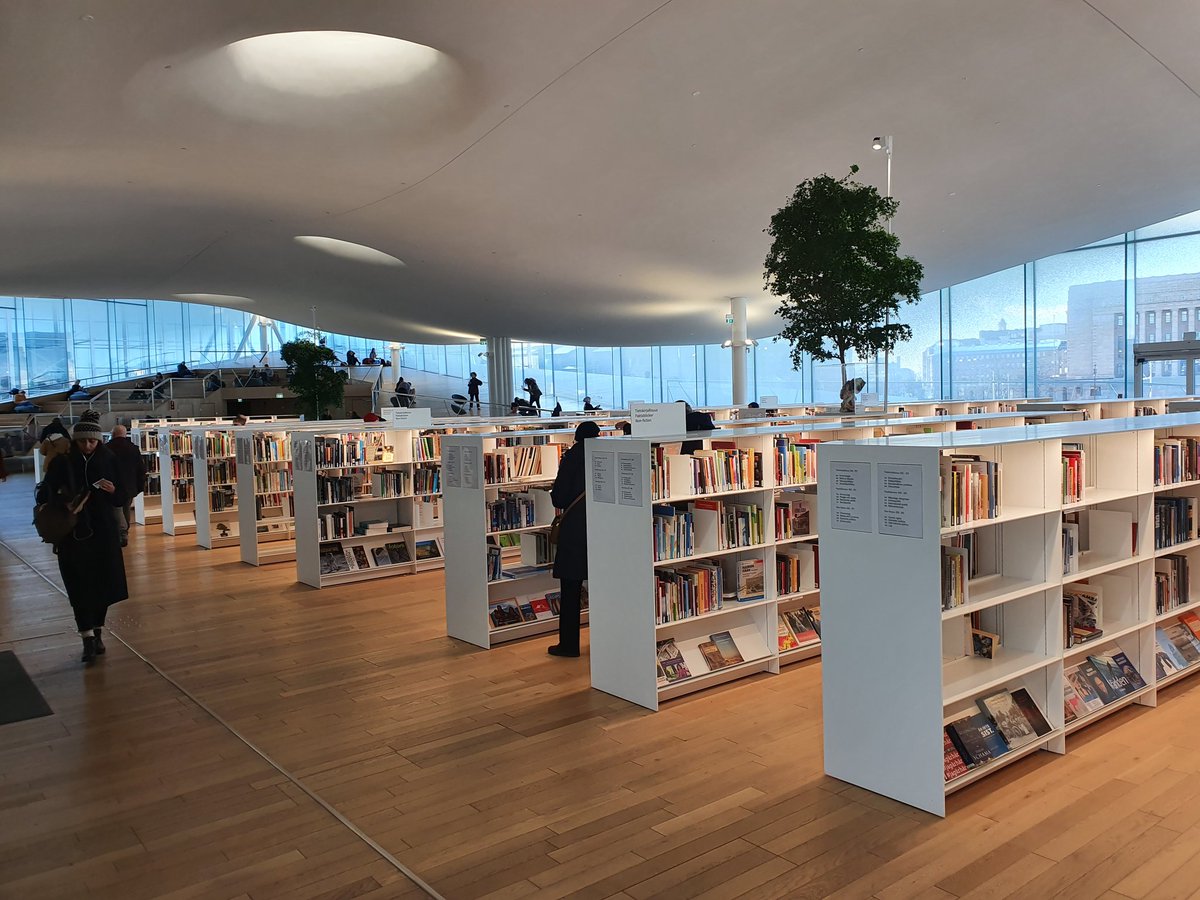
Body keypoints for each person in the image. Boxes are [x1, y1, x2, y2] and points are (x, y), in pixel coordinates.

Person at [39, 410, 128, 664]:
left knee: (103, 583)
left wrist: (113, 491)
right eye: (82, 441)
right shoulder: (62, 463)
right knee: (78, 584)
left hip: (103, 532)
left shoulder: (109, 459)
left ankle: (97, 632)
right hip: (73, 533)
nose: (88, 446)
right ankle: (87, 637)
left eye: (92, 441)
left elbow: (122, 497)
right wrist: (63, 500)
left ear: (99, 440)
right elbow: (43, 494)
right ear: (75, 441)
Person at [548, 420, 601, 657]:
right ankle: (605, 643)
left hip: (575, 531)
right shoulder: (606, 456)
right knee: (605, 589)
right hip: (602, 529)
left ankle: (569, 645)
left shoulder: (571, 458)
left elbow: (559, 498)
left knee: (570, 591)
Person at [106, 424, 146, 547]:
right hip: (130, 485)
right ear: (125, 434)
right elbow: (141, 469)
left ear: (113, 434)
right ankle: (125, 531)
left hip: (113, 484)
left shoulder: (106, 448)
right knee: (126, 508)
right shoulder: (133, 448)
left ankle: (120, 532)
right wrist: (140, 486)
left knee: (115, 508)